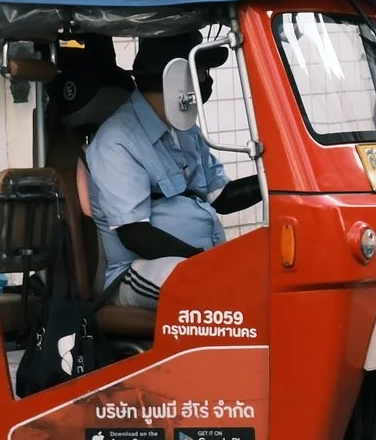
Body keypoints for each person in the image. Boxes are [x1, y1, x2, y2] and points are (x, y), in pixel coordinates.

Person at [83, 34, 257, 309]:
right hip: (137, 271)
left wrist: (271, 180)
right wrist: (206, 263)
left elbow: (221, 197)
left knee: (264, 275)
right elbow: (135, 235)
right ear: (174, 78)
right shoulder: (116, 141)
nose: (204, 82)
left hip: (197, 261)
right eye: (200, 72)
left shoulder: (185, 131)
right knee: (210, 288)